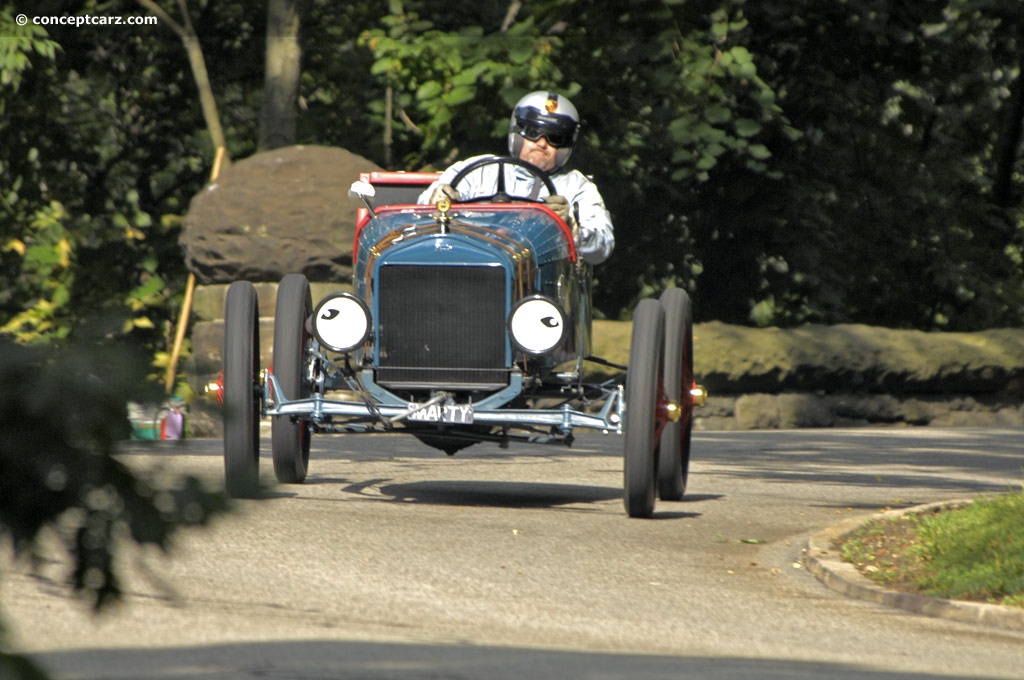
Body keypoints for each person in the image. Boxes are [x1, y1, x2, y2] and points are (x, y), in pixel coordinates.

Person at [417, 91, 615, 265]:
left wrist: (571, 227)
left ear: (566, 146)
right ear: (517, 133)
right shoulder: (477, 171)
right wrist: (439, 200)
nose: (542, 143)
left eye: (555, 138)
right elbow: (424, 210)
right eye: (533, 132)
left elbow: (603, 246)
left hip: (541, 289)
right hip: (468, 268)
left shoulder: (577, 186)